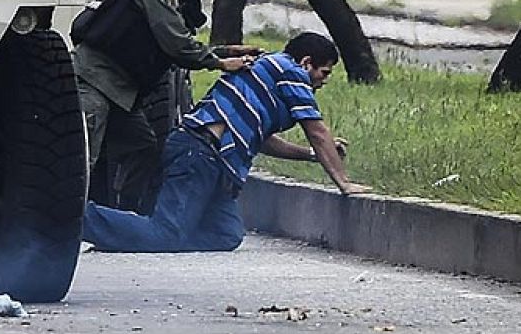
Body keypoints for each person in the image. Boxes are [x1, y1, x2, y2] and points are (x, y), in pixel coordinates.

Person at [82, 31, 370, 253]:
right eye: (324, 72)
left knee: (226, 234)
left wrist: (311, 155)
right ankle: (75, 218)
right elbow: (317, 131)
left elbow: (262, 140)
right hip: (198, 152)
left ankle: (133, 235)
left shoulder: (270, 74)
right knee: (167, 233)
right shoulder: (290, 71)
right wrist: (343, 183)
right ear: (307, 63)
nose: (324, 81)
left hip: (217, 164)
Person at [70, 0, 258, 213]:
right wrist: (221, 64)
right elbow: (178, 46)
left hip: (120, 90)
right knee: (82, 160)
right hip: (94, 82)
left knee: (143, 148)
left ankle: (127, 217)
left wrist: (227, 51)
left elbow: (174, 43)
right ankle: (59, 228)